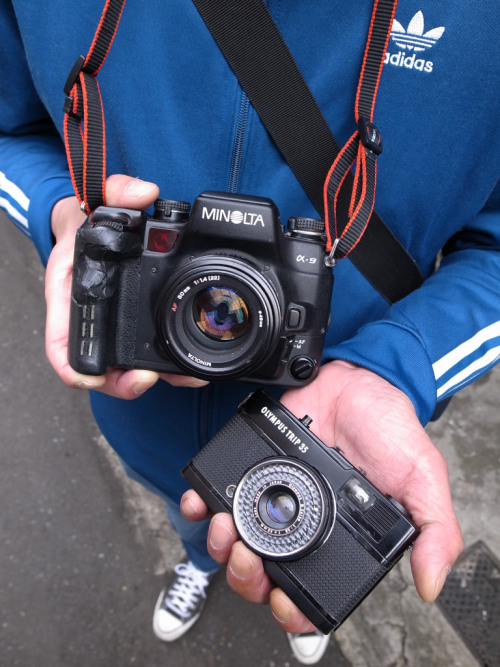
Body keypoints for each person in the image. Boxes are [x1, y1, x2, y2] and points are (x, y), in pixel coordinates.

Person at [1, 1, 498, 664]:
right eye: (216, 316)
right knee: (190, 516)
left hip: (339, 433)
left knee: (311, 554)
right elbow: (10, 130)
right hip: (145, 417)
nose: (220, 318)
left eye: (227, 317)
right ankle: (198, 564)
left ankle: (307, 596)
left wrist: (398, 362)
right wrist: (68, 217)